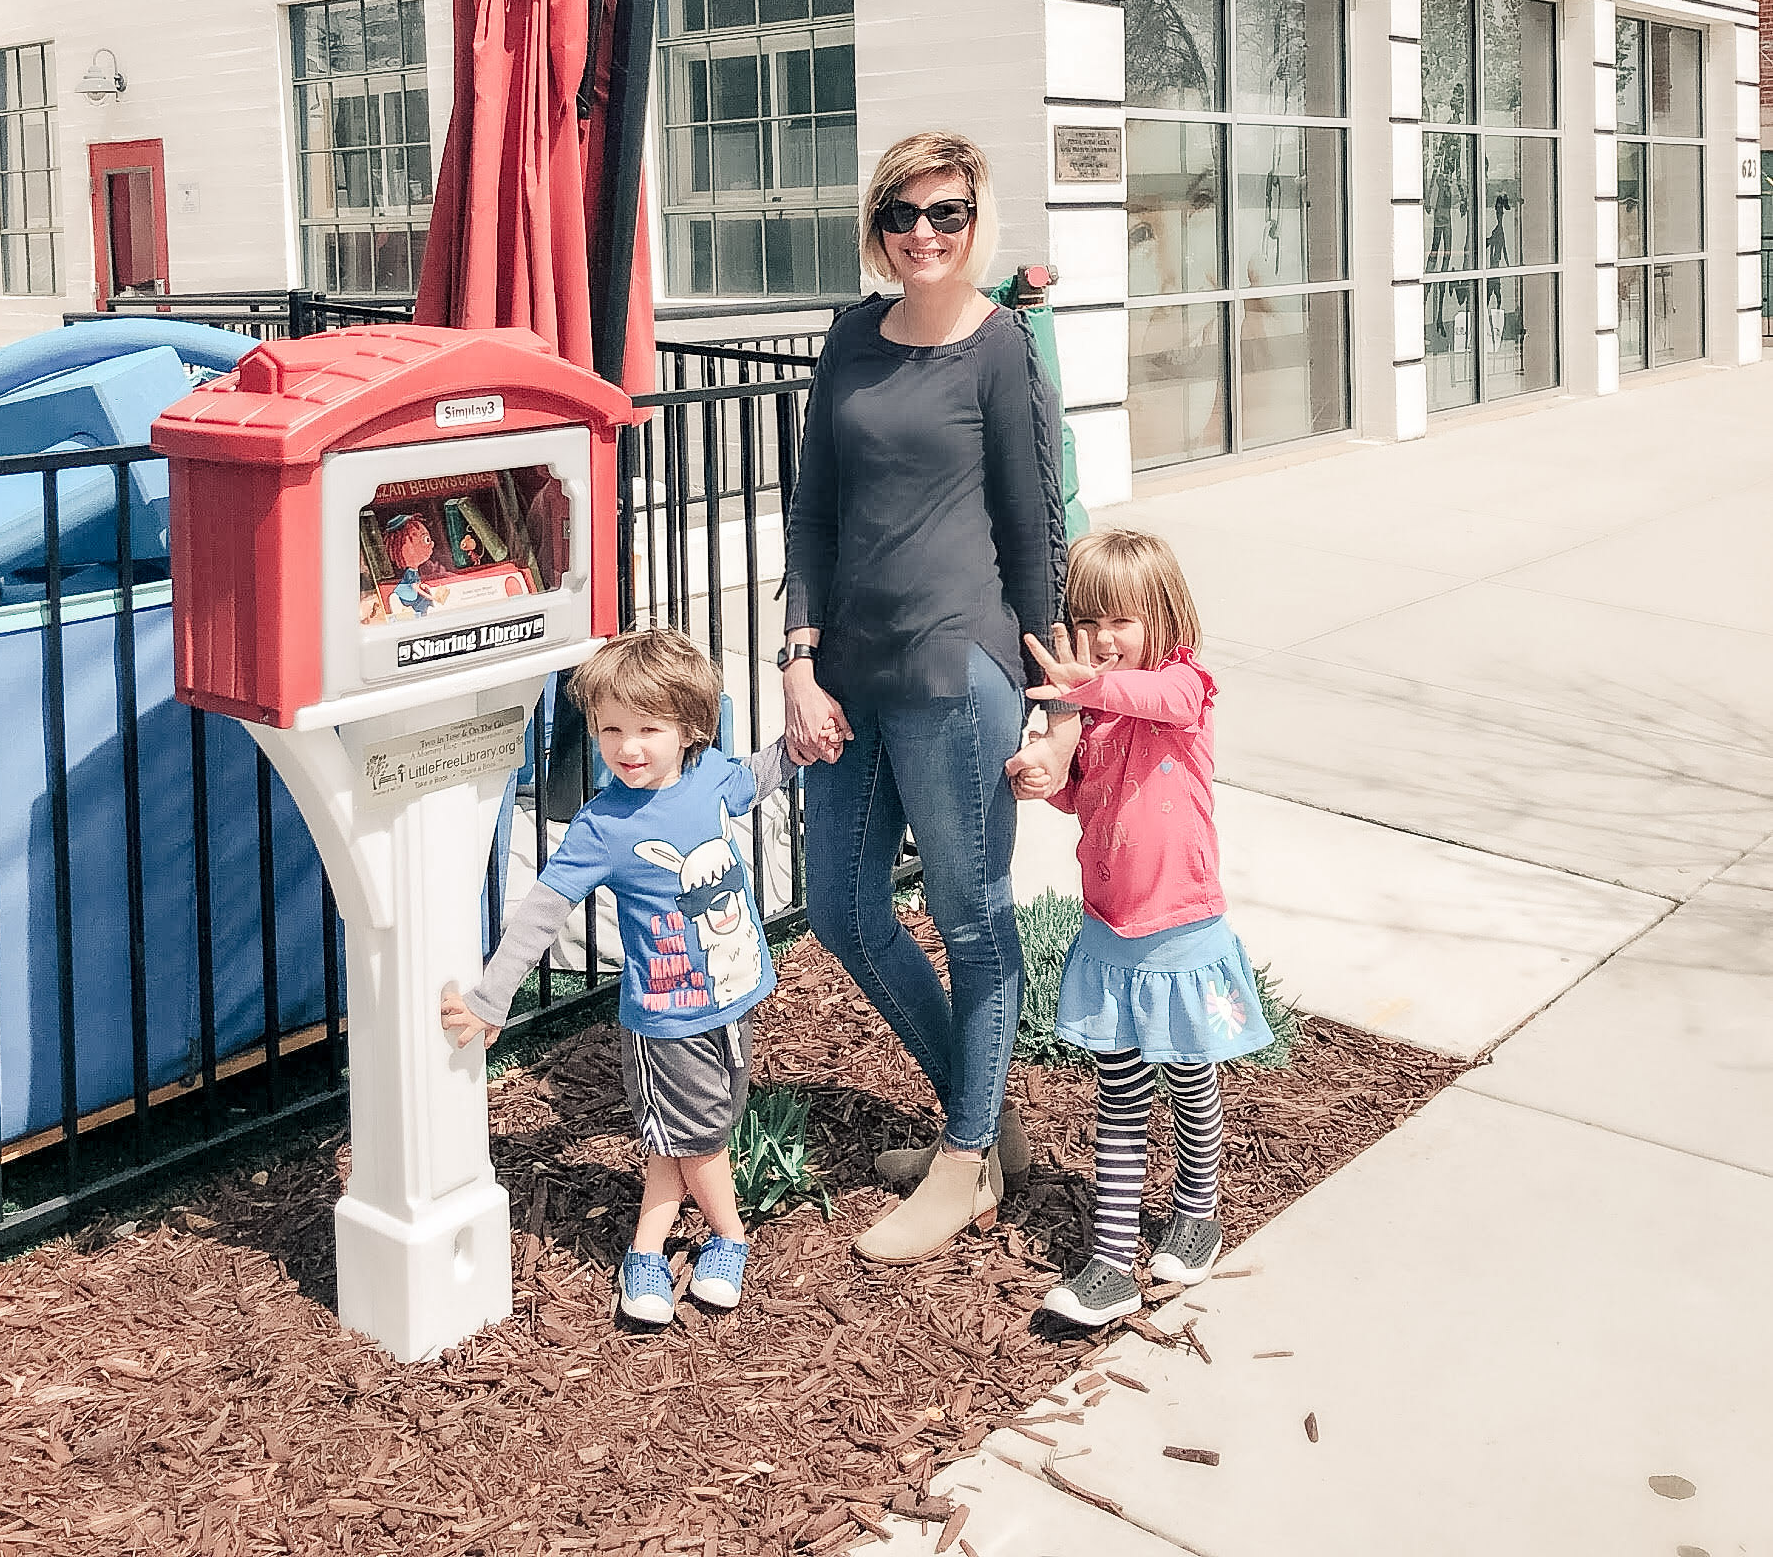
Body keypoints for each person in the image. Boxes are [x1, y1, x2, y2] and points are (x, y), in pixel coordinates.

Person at [781, 130, 1067, 1264]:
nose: (922, 235)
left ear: (974, 221)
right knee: (843, 912)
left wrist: (1058, 707)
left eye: (945, 215)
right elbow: (810, 509)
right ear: (877, 224)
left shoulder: (1000, 353)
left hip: (957, 674)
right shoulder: (850, 338)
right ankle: (986, 1128)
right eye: (902, 214)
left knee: (970, 915)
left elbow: (1035, 535)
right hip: (846, 669)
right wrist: (795, 658)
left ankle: (963, 1163)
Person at [440, 627, 787, 1325]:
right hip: (665, 1021)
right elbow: (542, 912)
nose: (627, 747)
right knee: (702, 1139)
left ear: (690, 729)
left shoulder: (711, 776)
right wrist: (490, 997)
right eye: (610, 730)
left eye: (647, 729)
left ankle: (644, 1253)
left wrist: (807, 741)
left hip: (732, 996)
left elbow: (760, 776)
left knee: (681, 1138)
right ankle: (729, 1238)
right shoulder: (603, 826)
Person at [1005, 527, 1272, 1328]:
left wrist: (1084, 689)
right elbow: (1079, 793)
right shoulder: (1092, 715)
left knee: (1190, 1084)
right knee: (1119, 1098)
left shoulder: (1183, 690)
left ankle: (1197, 1215)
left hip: (1183, 933)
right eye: (1088, 620)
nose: (1103, 638)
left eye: (1122, 621)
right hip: (1110, 934)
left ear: (1164, 619)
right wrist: (1039, 775)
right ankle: (1111, 1263)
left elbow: (1164, 699)